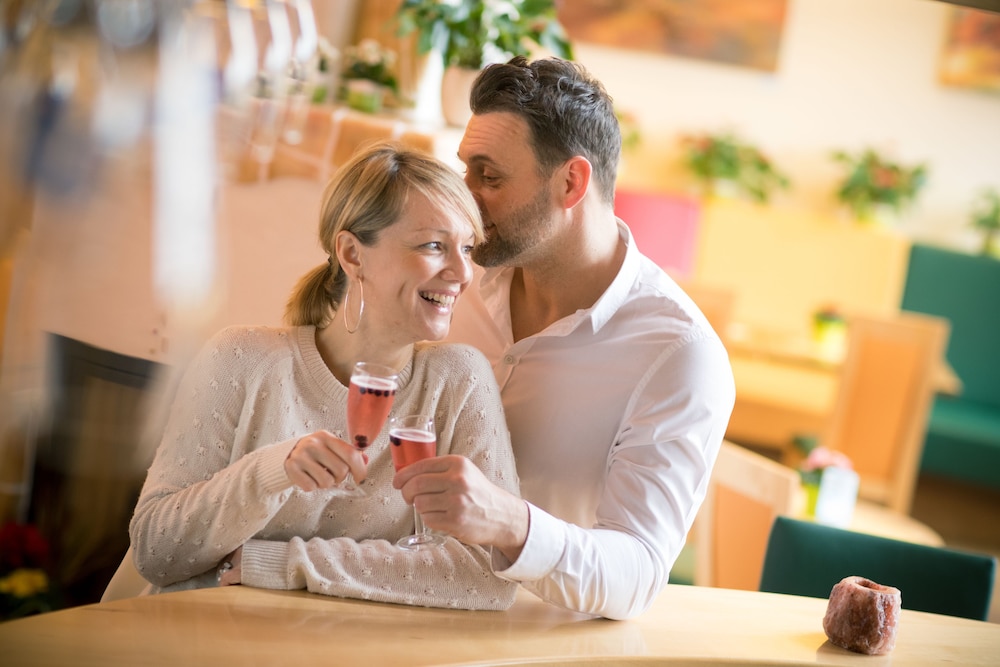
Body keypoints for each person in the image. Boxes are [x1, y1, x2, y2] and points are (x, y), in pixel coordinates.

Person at [393, 57, 736, 620]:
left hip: (536, 644)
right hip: (392, 600)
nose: (463, 199)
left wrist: (510, 523)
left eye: (489, 177)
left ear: (572, 182)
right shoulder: (455, 282)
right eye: (465, 172)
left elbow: (638, 574)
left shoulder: (680, 355)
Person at [128, 142, 520, 611]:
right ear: (353, 254)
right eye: (433, 245)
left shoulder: (459, 379)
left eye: (467, 248)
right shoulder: (240, 358)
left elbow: (490, 574)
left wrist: (285, 563)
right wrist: (270, 472)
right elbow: (156, 550)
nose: (462, 272)